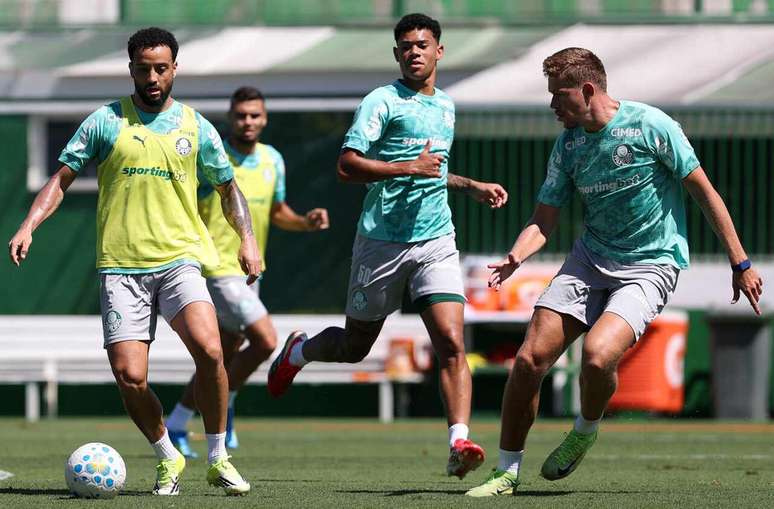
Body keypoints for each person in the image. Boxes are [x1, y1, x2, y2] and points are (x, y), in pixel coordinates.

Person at [465, 47, 764, 497]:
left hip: (651, 265)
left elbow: (705, 194)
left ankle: (585, 428)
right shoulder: (568, 145)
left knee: (598, 356)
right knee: (529, 359)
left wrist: (739, 262)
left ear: (587, 90)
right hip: (589, 260)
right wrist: (517, 255)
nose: (552, 106)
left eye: (558, 95)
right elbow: (543, 219)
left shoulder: (652, 126)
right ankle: (506, 472)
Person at [7, 27, 261, 496]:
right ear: (131, 70)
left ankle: (218, 456)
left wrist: (247, 239)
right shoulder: (105, 121)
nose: (152, 77)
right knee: (130, 376)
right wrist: (28, 225)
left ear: (174, 69)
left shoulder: (195, 126)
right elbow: (61, 179)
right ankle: (168, 455)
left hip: (179, 259)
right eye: (143, 68)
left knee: (210, 350)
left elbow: (228, 187)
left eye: (161, 68)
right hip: (121, 268)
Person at [267, 13, 509, 480]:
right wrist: (406, 170)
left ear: (439, 51)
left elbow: (432, 169)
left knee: (452, 344)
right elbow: (346, 166)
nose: (414, 52)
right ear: (396, 54)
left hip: (436, 239)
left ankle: (459, 442)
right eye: (406, 46)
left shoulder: (447, 107)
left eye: (422, 44)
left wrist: (470, 184)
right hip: (381, 241)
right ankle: (298, 351)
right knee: (356, 346)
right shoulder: (380, 101)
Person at [166, 86, 330, 457]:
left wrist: (305, 222)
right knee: (266, 340)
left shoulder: (273, 159)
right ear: (230, 117)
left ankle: (178, 422)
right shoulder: (213, 157)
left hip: (252, 271)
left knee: (219, 359)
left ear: (265, 118)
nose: (248, 121)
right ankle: (228, 401)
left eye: (255, 115)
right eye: (241, 115)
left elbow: (276, 212)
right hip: (216, 270)